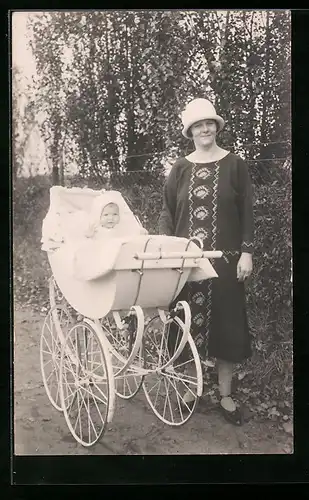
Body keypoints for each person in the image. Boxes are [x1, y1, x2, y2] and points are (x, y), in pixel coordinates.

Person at [158, 98, 254, 425]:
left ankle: (226, 396)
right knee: (188, 324)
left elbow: (247, 213)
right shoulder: (180, 168)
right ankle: (191, 389)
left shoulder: (235, 165)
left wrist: (247, 252)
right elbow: (167, 213)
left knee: (227, 327)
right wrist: (168, 251)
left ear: (217, 127)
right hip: (189, 265)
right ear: (190, 131)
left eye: (209, 123)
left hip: (227, 265)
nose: (205, 129)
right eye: (198, 125)